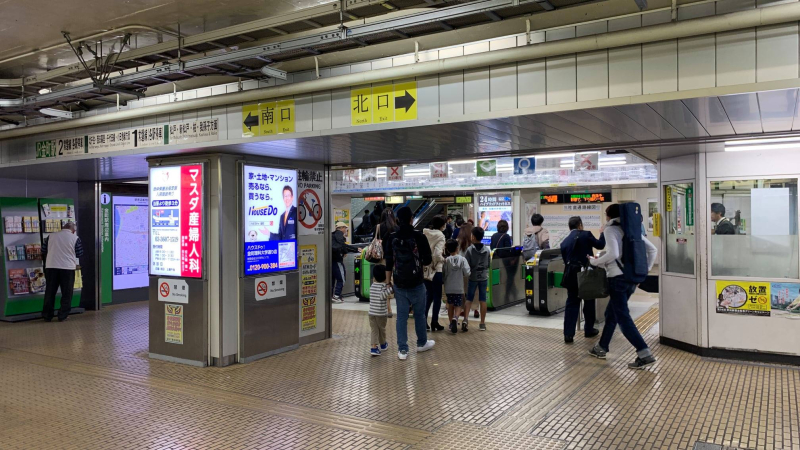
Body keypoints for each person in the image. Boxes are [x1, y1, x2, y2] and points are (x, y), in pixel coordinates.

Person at [588, 204, 658, 370]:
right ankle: (601, 347)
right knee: (611, 313)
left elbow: (613, 253)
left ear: (608, 215)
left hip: (617, 279)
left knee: (622, 317)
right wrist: (645, 271)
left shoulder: (610, 229)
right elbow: (653, 250)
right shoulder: (631, 229)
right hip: (631, 278)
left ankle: (644, 353)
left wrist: (594, 262)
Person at [383, 206, 435, 360]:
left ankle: (403, 350)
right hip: (417, 282)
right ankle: (421, 343)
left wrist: (388, 283)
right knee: (419, 314)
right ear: (412, 219)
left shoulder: (392, 237)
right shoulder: (419, 236)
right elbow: (427, 260)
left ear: (398, 220)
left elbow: (388, 263)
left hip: (399, 283)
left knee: (401, 317)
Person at [560, 216, 606, 344]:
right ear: (580, 225)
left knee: (571, 303)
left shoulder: (565, 241)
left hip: (571, 275)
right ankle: (588, 329)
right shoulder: (586, 235)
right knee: (589, 300)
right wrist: (602, 233)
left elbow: (565, 259)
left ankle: (568, 334)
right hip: (585, 273)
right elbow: (600, 245)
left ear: (569, 227)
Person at [41, 222, 83, 322]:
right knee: (67, 293)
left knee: (50, 292)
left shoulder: (50, 236)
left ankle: (47, 315)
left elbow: (43, 250)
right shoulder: (75, 238)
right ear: (73, 230)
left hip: (51, 267)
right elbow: (79, 253)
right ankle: (62, 315)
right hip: (67, 268)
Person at [464, 227, 491, 332]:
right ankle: (482, 323)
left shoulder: (470, 250)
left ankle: (465, 320)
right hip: (483, 277)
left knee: (469, 298)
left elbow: (466, 264)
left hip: (473, 276)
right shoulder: (487, 250)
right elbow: (488, 264)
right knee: (483, 299)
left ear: (473, 237)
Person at [423, 215, 447, 332]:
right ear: (442, 225)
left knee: (429, 295)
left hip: (426, 269)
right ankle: (434, 322)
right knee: (437, 297)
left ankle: (423, 320)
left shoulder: (426, 233)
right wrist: (443, 260)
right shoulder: (441, 236)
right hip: (436, 270)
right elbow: (437, 254)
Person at [443, 239, 470, 334]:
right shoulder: (462, 259)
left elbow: (444, 274)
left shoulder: (446, 260)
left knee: (450, 305)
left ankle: (451, 323)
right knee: (458, 305)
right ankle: (456, 318)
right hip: (459, 287)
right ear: (457, 248)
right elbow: (467, 272)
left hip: (449, 287)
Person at [378, 208, 399, 317]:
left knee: (383, 283)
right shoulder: (396, 228)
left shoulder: (378, 227)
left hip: (381, 258)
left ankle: (388, 308)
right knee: (394, 282)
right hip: (395, 259)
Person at [331, 221, 359, 303]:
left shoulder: (332, 235)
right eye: (345, 228)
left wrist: (353, 249)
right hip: (337, 260)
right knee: (341, 279)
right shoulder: (339, 234)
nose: (346, 230)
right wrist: (346, 251)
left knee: (332, 279)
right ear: (341, 228)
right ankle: (336, 296)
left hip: (331, 260)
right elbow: (342, 245)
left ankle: (332, 296)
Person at [368, 264, 390, 356]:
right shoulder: (383, 286)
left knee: (374, 330)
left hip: (371, 313)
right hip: (381, 314)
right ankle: (381, 345)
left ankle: (375, 347)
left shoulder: (372, 285)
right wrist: (392, 289)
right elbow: (383, 295)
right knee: (381, 329)